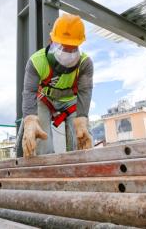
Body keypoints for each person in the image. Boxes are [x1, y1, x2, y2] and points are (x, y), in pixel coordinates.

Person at [20, 13, 93, 157]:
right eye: (63, 47)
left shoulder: (85, 63)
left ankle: (80, 165)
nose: (68, 52)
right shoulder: (37, 61)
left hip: (71, 103)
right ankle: (45, 166)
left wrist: (82, 118)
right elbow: (29, 92)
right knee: (42, 137)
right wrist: (30, 120)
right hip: (45, 101)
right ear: (52, 40)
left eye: (72, 48)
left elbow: (85, 91)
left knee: (81, 138)